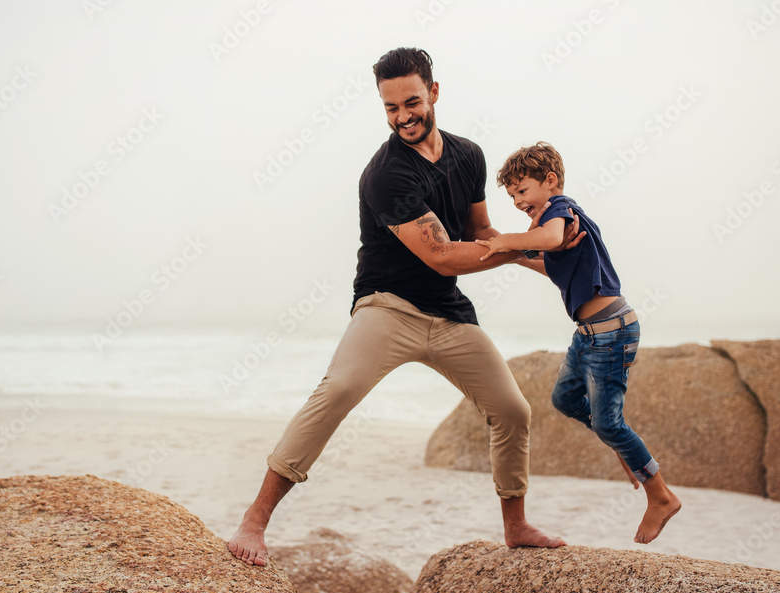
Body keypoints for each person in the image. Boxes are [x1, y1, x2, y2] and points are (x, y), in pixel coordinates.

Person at [227, 48, 583, 566]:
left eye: (411, 102)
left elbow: (481, 234)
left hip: (449, 313)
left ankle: (516, 525)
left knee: (512, 409)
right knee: (340, 389)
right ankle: (254, 520)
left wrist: (553, 263)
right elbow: (441, 256)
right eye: (390, 108)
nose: (402, 117)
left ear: (434, 92)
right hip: (387, 306)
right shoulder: (385, 175)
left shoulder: (470, 156)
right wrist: (525, 246)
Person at [476, 142, 682, 544]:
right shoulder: (554, 222)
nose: (518, 202)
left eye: (522, 191)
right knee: (565, 400)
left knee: (609, 422)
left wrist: (507, 242)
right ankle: (622, 444)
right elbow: (551, 261)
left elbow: (551, 239)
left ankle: (661, 497)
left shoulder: (559, 210)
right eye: (513, 195)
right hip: (588, 334)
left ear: (549, 181)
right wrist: (518, 256)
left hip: (611, 331)